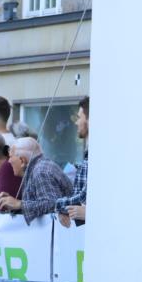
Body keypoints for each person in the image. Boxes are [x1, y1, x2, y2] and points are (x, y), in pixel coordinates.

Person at [0, 137, 73, 224]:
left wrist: (19, 204)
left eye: (10, 157)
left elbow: (52, 203)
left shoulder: (40, 171)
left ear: (22, 160)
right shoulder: (37, 167)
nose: (9, 161)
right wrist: (11, 203)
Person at [55, 96, 89, 227]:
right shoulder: (90, 154)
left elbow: (82, 198)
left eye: (80, 117)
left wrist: (58, 206)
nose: (76, 122)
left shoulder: (97, 155)